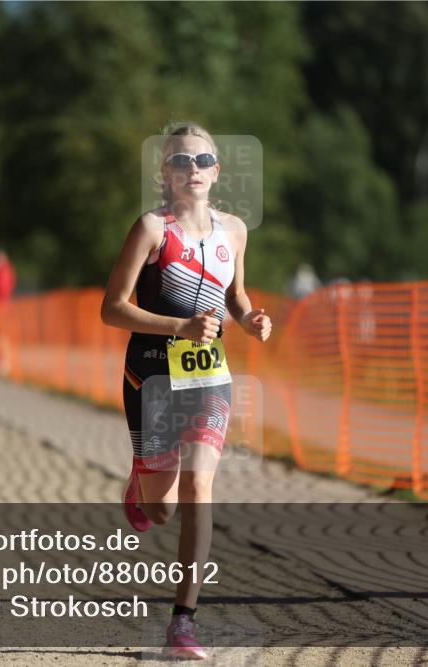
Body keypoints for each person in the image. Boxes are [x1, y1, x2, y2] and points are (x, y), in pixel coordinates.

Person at [100, 122, 272, 660]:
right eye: (181, 161)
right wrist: (178, 328)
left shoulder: (236, 231)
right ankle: (141, 478)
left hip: (208, 379)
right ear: (165, 173)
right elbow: (112, 308)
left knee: (200, 488)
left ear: (217, 171)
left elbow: (236, 296)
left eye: (202, 161)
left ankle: (183, 620)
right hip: (151, 379)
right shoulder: (152, 228)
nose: (192, 170)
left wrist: (250, 320)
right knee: (162, 511)